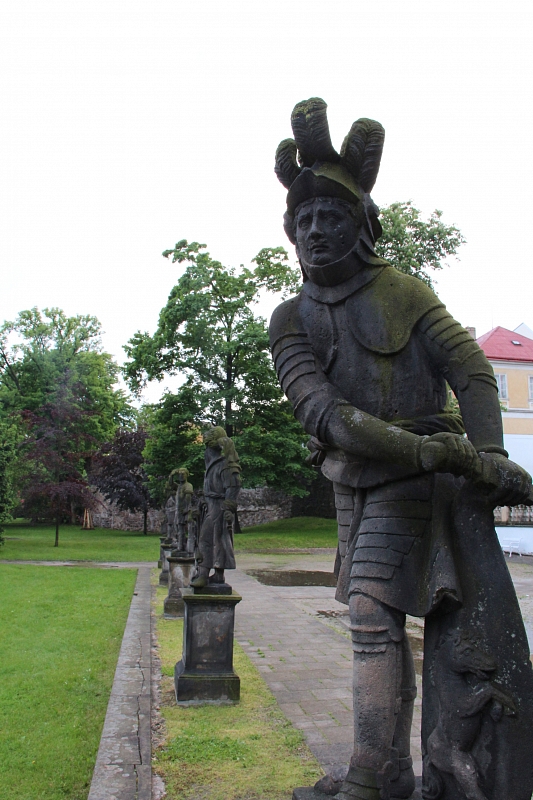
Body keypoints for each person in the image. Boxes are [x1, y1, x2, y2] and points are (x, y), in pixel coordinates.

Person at [270, 98, 532, 800]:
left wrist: (487, 456)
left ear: (359, 227)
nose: (316, 230)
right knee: (371, 621)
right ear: (290, 233)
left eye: (331, 217)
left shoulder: (403, 293)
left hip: (413, 483)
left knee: (367, 619)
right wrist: (426, 454)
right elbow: (324, 414)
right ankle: (382, 767)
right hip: (365, 475)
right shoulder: (289, 317)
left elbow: (471, 372)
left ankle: (370, 774)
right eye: (304, 220)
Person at [190, 426, 241, 588]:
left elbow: (233, 485)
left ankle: (204, 574)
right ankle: (217, 575)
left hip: (218, 507)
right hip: (210, 506)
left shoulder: (225, 464)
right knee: (217, 540)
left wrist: (228, 507)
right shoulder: (213, 463)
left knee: (209, 539)